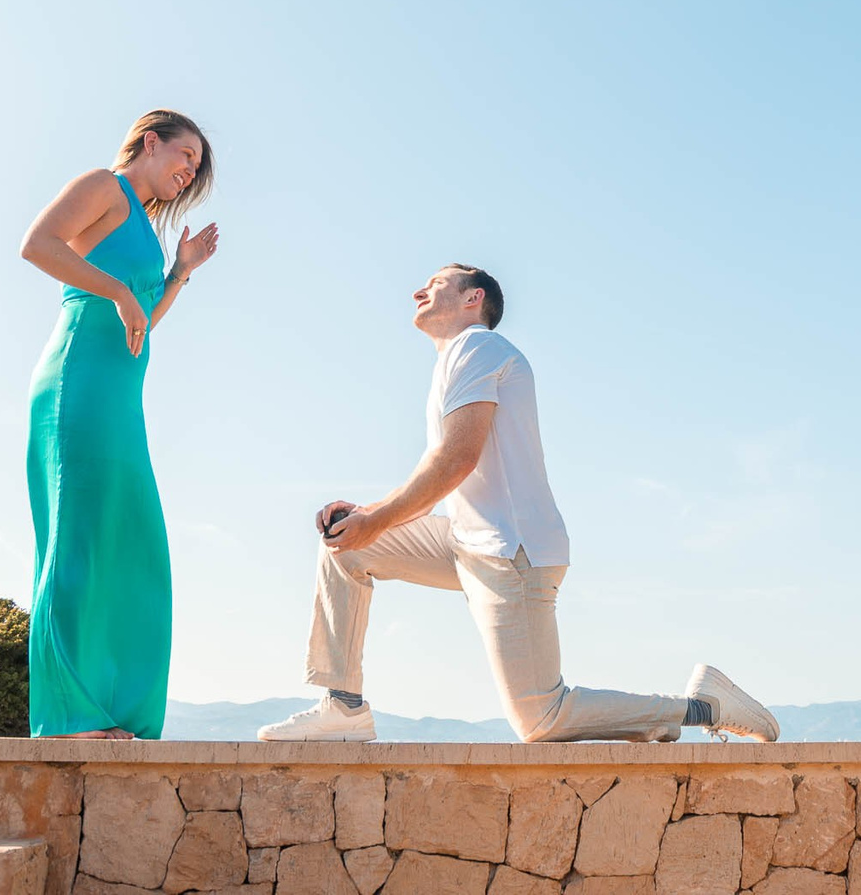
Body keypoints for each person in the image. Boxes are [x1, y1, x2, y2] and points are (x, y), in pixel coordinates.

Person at [259, 264, 776, 743]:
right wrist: (365, 517)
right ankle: (344, 707)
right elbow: (443, 470)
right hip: (466, 540)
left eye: (437, 282)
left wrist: (376, 518)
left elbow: (456, 459)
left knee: (539, 718)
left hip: (514, 555)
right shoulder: (455, 360)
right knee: (347, 547)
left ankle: (700, 706)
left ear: (472, 298)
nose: (419, 291)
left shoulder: (479, 347)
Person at [20, 110, 220, 739]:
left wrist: (179, 272)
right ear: (150, 141)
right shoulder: (103, 187)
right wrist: (119, 291)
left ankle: (115, 712)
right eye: (184, 157)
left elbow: (141, 326)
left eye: (194, 171)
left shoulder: (146, 228)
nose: (187, 173)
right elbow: (38, 245)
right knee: (77, 541)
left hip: (119, 393)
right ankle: (68, 717)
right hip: (76, 381)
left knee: (132, 545)